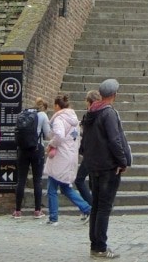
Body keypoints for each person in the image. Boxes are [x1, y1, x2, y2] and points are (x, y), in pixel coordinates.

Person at [81, 77, 131, 259]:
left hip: (94, 165)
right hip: (108, 166)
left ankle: (95, 243)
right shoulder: (108, 113)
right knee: (103, 207)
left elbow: (85, 140)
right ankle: (100, 246)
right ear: (115, 94)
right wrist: (122, 161)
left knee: (96, 205)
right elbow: (114, 139)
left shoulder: (91, 112)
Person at [46, 94, 91, 224]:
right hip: (70, 155)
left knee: (52, 188)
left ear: (56, 106)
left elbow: (59, 135)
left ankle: (54, 217)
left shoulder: (59, 119)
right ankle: (86, 208)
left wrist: (51, 144)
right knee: (65, 188)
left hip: (60, 156)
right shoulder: (74, 120)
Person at [13, 97, 51, 218]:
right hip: (36, 149)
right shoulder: (43, 116)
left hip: (22, 149)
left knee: (21, 180)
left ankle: (17, 211)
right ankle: (37, 210)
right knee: (37, 180)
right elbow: (48, 134)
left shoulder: (24, 114)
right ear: (44, 107)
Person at [75, 89, 100, 207]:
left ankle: (92, 206)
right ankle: (94, 207)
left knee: (80, 179)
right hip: (94, 153)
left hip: (91, 153)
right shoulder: (100, 114)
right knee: (92, 182)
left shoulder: (91, 116)